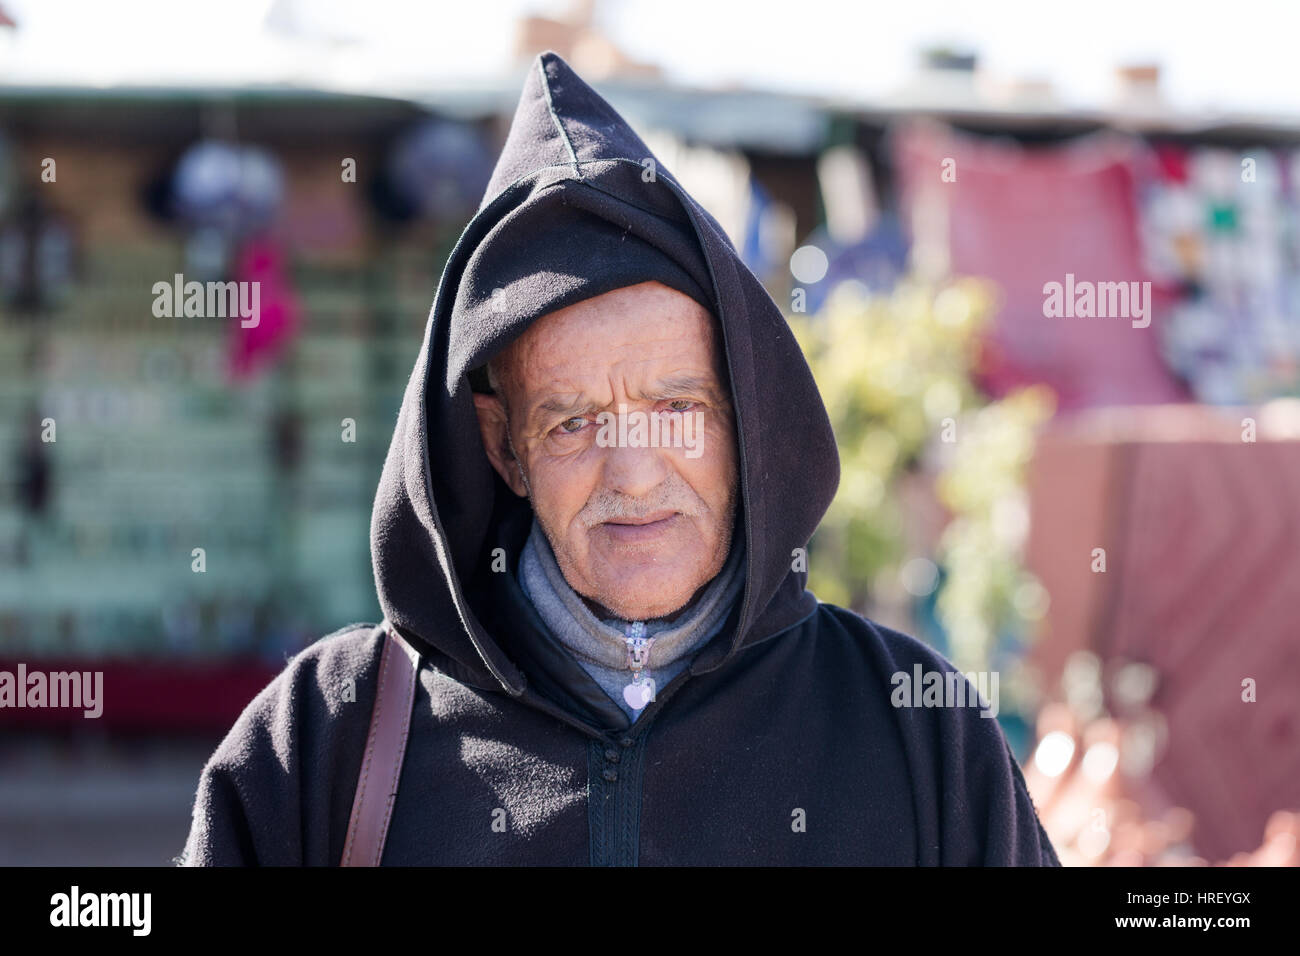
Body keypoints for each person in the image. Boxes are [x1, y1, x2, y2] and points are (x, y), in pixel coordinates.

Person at [180, 51, 1059, 866]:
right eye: (573, 424)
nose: (634, 475)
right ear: (504, 447)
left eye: (677, 409)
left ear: (745, 419)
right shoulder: (328, 740)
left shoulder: (915, 732)